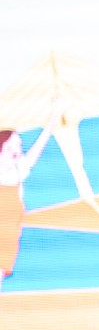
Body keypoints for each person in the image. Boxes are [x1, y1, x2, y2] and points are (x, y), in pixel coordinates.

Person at [0, 112, 62, 280]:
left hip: (8, 245)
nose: (16, 151)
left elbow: (36, 150)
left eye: (18, 145)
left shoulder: (17, 172)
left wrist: (52, 120)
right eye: (9, 147)